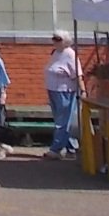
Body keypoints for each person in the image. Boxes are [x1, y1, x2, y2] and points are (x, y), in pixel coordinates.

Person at [42, 30, 79, 160]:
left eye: (58, 39)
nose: (55, 41)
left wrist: (83, 90)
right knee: (61, 120)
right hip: (53, 89)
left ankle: (56, 149)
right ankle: (71, 147)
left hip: (64, 91)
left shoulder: (69, 54)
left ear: (65, 41)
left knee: (62, 121)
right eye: (54, 39)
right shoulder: (56, 53)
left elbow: (77, 73)